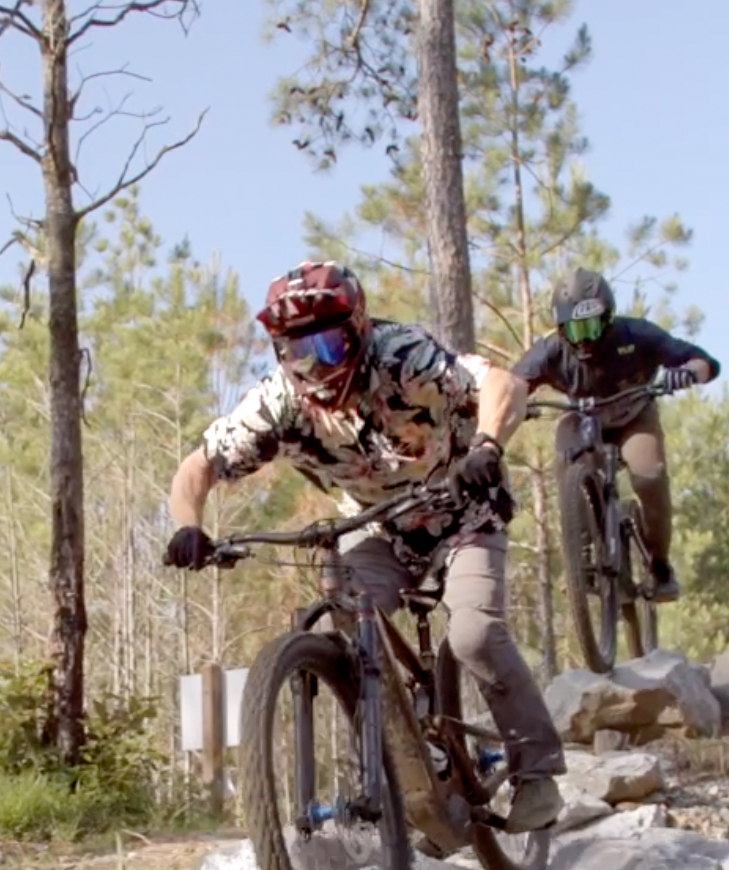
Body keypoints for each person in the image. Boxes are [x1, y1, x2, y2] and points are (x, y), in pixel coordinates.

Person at [162, 260, 566, 834]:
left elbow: (504, 384)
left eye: (327, 346)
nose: (313, 364)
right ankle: (401, 768)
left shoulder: (404, 356)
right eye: (297, 350)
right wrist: (187, 525)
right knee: (347, 620)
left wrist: (486, 448)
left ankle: (536, 771)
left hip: (465, 511)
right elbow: (197, 467)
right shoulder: (279, 403)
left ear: (357, 329)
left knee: (474, 633)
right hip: (380, 527)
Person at [485, 267, 719, 603]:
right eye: (574, 329)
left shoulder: (637, 335)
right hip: (582, 419)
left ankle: (659, 565)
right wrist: (510, 407)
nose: (584, 339)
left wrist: (686, 374)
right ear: (560, 328)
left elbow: (703, 361)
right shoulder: (551, 351)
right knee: (568, 464)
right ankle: (582, 562)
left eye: (591, 327)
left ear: (608, 319)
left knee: (649, 474)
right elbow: (513, 385)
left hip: (634, 416)